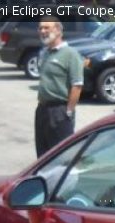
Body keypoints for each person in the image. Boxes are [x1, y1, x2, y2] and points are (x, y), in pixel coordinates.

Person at [35, 18, 83, 157]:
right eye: (40, 28)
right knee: (43, 156)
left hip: (59, 111)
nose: (42, 31)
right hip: (42, 110)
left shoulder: (71, 54)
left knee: (62, 156)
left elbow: (77, 85)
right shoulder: (45, 53)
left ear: (58, 30)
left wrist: (68, 112)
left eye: (46, 28)